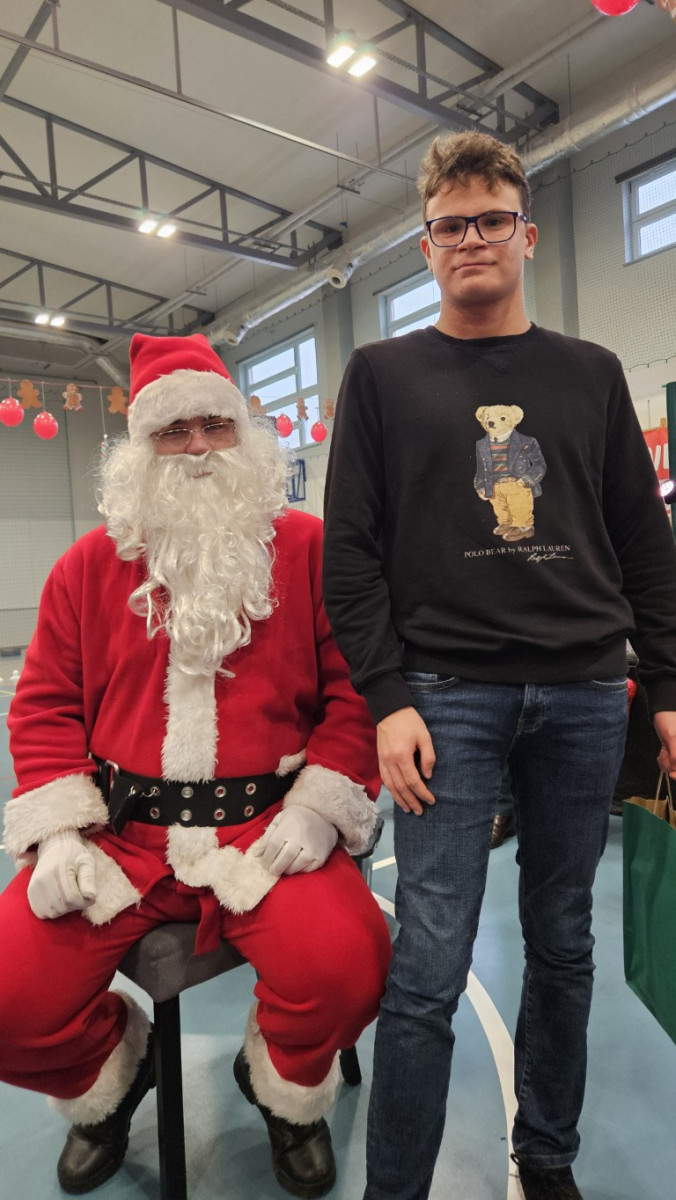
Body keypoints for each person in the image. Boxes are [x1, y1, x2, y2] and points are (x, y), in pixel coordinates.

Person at [322, 130, 676, 1200]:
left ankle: (548, 1154)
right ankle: (396, 1188)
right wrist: (387, 697)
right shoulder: (382, 377)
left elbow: (643, 542)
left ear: (527, 233)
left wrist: (665, 687)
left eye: (491, 219)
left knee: (562, 941)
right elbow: (350, 554)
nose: (471, 238)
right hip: (446, 701)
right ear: (425, 246)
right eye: (450, 225)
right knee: (429, 962)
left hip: (583, 694)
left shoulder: (592, 374)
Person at [0, 332, 391, 1199]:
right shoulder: (85, 569)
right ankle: (112, 1071)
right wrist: (58, 833)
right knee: (7, 999)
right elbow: (45, 706)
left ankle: (282, 1088)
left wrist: (320, 804)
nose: (200, 449)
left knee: (349, 967)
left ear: (245, 437)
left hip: (265, 835)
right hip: (121, 842)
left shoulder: (310, 550)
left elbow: (359, 691)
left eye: (216, 426)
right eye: (174, 431)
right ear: (140, 450)